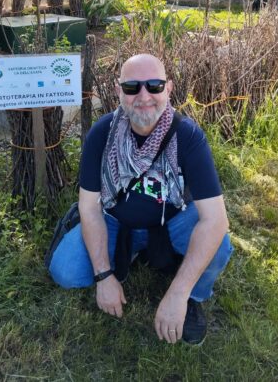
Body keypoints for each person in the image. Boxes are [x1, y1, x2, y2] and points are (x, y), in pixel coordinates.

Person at [49, 54, 233, 345]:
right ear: (118, 90)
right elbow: (89, 207)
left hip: (172, 221)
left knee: (219, 245)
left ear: (168, 89)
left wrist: (177, 293)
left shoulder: (188, 137)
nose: (144, 96)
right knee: (65, 271)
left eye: (154, 86)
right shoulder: (102, 133)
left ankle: (193, 296)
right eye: (132, 87)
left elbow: (216, 219)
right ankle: (129, 253)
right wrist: (103, 276)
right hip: (116, 220)